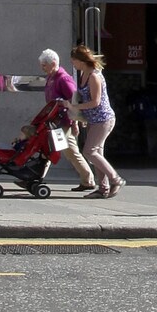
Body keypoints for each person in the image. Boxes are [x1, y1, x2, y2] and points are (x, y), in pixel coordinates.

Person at [28, 48, 95, 191]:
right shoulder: (51, 77)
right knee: (48, 149)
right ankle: (35, 177)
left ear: (53, 63)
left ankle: (88, 179)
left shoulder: (63, 79)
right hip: (54, 122)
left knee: (70, 151)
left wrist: (75, 122)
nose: (42, 68)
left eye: (44, 65)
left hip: (63, 122)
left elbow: (74, 101)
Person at [72, 44, 124, 198]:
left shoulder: (94, 76)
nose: (73, 64)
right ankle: (103, 188)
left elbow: (95, 101)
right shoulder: (83, 74)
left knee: (90, 151)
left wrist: (74, 107)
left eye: (74, 61)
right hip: (93, 120)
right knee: (97, 152)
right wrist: (82, 117)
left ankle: (115, 179)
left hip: (103, 119)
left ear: (81, 61)